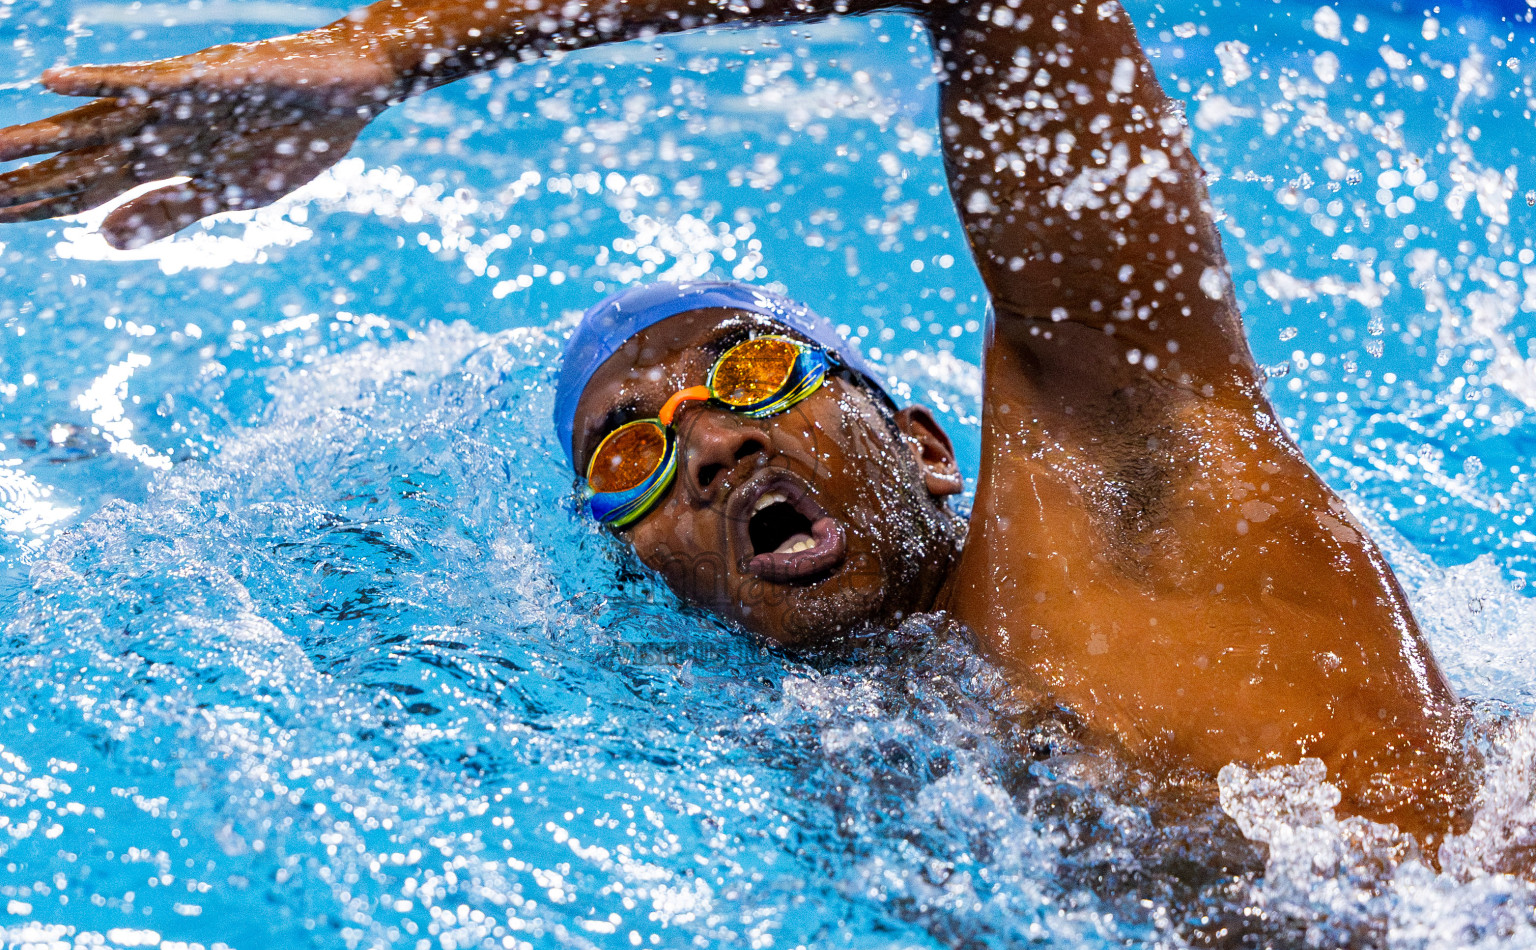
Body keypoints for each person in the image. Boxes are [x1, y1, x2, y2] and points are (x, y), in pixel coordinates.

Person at [0, 0, 1470, 847]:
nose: (705, 444)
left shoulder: (1140, 491)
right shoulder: (805, 757)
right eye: (628, 457)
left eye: (752, 374)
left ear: (929, 445)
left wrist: (403, 47)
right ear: (650, 578)